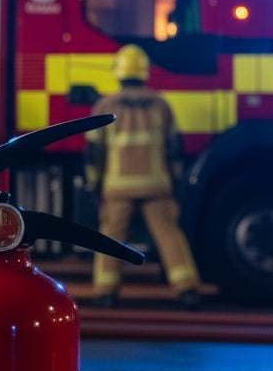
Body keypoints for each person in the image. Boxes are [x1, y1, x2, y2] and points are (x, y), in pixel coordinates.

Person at [85, 43, 202, 310]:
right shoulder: (160, 104)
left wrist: (94, 183)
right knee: (169, 234)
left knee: (111, 237)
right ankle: (187, 290)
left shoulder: (106, 105)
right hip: (156, 184)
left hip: (117, 188)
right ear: (144, 72)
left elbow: (94, 153)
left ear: (119, 72)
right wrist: (175, 180)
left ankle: (106, 292)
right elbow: (174, 149)